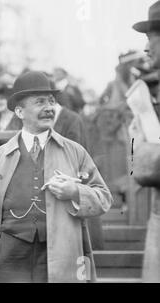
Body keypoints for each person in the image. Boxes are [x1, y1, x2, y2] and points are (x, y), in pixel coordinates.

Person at [0, 71, 113, 283]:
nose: (49, 108)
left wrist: (75, 192)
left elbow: (103, 197)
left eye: (52, 102)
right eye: (39, 102)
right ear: (19, 111)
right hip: (8, 256)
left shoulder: (74, 152)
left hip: (59, 254)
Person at [133, 0, 160, 282]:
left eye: (152, 38)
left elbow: (142, 168)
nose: (147, 48)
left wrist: (141, 148)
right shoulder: (146, 92)